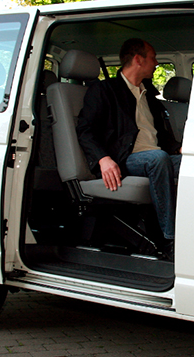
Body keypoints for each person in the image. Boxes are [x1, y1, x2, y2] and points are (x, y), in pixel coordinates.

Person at [76, 38, 181, 258]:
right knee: (158, 159)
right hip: (126, 158)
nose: (156, 63)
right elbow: (85, 130)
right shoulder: (104, 90)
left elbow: (162, 136)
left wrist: (181, 150)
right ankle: (170, 239)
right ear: (138, 59)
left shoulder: (149, 96)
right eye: (153, 58)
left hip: (156, 157)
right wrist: (103, 159)